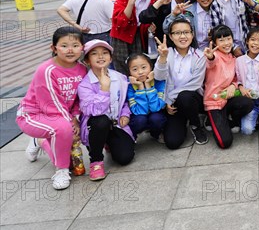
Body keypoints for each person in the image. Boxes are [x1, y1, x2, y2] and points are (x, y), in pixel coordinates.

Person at [17, 27, 88, 190]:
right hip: (33, 115)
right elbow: (51, 104)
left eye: (75, 45)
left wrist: (76, 117)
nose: (70, 50)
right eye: (64, 45)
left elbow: (80, 98)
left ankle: (40, 141)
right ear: (53, 48)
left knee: (71, 160)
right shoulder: (46, 70)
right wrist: (72, 122)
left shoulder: (82, 69)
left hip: (60, 116)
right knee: (63, 129)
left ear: (82, 47)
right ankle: (61, 171)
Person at [78, 40, 135, 180]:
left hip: (115, 124)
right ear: (87, 60)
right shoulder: (84, 85)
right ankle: (96, 160)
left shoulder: (120, 78)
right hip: (96, 125)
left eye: (105, 53)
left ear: (111, 57)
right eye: (94, 54)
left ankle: (108, 142)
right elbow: (91, 111)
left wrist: (125, 114)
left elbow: (125, 101)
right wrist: (104, 89)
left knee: (125, 158)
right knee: (101, 121)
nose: (100, 56)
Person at [154, 18, 208, 148]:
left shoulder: (200, 56)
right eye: (177, 33)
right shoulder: (167, 53)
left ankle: (196, 124)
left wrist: (170, 98)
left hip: (193, 100)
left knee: (185, 96)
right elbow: (158, 77)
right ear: (171, 37)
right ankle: (183, 121)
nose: (182, 36)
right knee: (172, 142)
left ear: (192, 34)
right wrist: (162, 58)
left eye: (186, 32)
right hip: (173, 105)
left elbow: (195, 84)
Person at [203, 25, 254, 149]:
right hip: (214, 101)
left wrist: (233, 86)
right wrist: (210, 56)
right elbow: (211, 62)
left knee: (248, 102)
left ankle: (229, 118)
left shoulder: (233, 58)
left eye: (228, 38)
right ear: (214, 43)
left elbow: (237, 78)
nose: (226, 43)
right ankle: (211, 119)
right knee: (224, 142)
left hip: (228, 98)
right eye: (221, 40)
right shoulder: (214, 56)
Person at [110, 0, 157, 74]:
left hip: (139, 37)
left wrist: (150, 28)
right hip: (121, 35)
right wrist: (131, 0)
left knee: (138, 68)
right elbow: (120, 22)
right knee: (122, 69)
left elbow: (145, 22)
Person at [126, 53, 167, 142]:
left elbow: (156, 108)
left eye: (144, 67)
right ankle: (132, 136)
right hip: (139, 116)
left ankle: (155, 133)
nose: (140, 72)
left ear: (151, 67)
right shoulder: (129, 87)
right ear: (129, 72)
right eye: (135, 69)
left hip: (156, 113)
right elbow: (140, 111)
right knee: (140, 120)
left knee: (156, 119)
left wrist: (148, 85)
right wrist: (140, 87)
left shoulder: (159, 82)